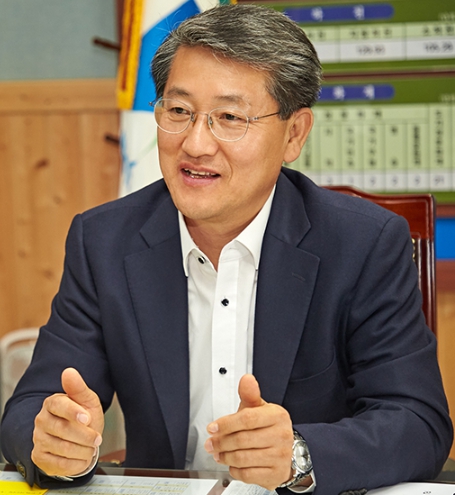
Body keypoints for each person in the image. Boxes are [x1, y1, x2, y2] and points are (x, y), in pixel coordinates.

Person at [1, 4, 452, 495]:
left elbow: (417, 422)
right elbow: (31, 408)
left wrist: (298, 454)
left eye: (230, 117)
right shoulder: (104, 240)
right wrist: (56, 441)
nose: (196, 144)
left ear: (294, 134)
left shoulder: (362, 244)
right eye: (179, 111)